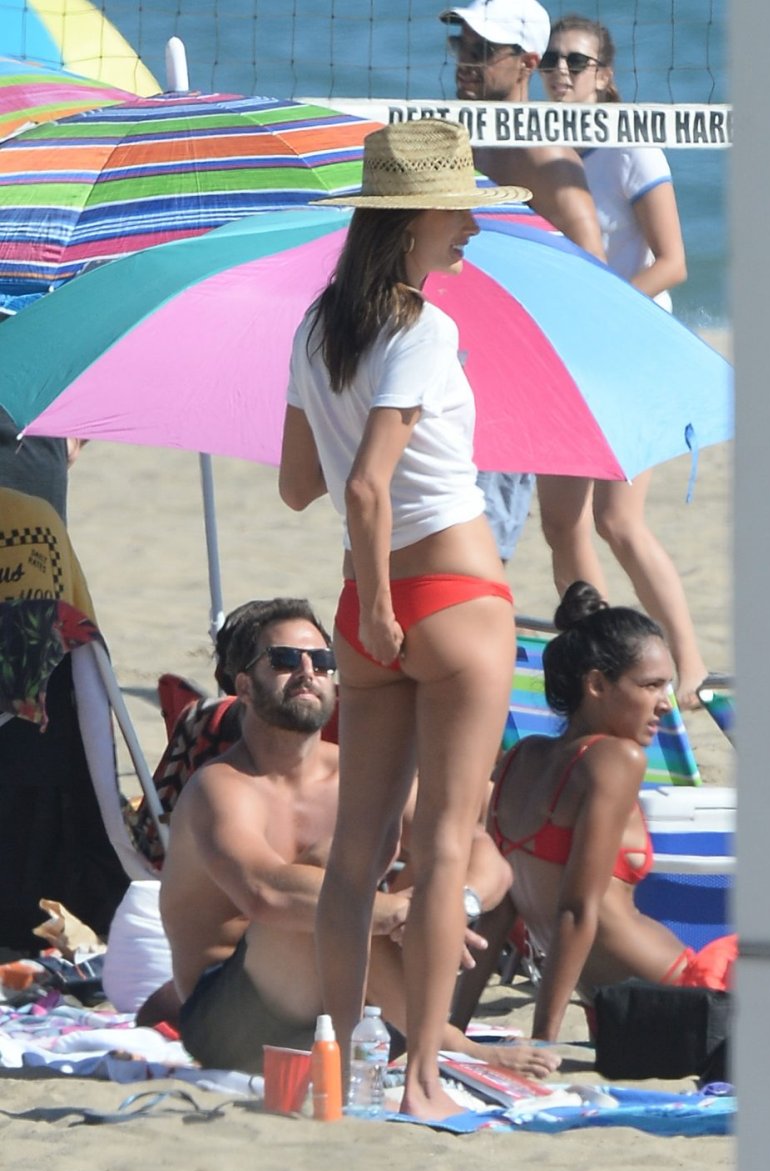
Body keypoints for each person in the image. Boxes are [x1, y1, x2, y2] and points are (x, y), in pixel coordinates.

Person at [280, 120, 525, 1119]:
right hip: (452, 600)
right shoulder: (424, 328)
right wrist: (389, 602)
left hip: (362, 612)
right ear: (414, 217)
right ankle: (423, 1079)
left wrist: (372, 607)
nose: (472, 224)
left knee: (355, 857)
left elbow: (299, 483)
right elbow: (364, 487)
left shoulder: (317, 327)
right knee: (445, 850)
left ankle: (335, 1069)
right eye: (458, 208)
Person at [159, 597, 558, 1079]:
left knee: (434, 855)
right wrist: (402, 914)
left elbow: (483, 853)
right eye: (285, 660)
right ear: (243, 685)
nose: (308, 673)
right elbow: (264, 893)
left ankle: (422, 1030)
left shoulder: (356, 775)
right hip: (235, 1022)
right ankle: (444, 1040)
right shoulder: (220, 788)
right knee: (334, 866)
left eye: (322, 661)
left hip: (357, 1013)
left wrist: (454, 906)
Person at [456, 581, 736, 1043]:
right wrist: (543, 1042)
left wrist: (451, 1027)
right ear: (597, 685)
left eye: (666, 686)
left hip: (608, 1011)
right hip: (682, 996)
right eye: (650, 686)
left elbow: (499, 914)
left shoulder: (518, 760)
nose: (664, 704)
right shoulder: (615, 759)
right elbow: (577, 909)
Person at [535, 13, 708, 707]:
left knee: (618, 520)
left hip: (632, 350)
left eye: (575, 62)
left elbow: (673, 261)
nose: (560, 71)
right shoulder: (538, 146)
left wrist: (605, 310)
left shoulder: (629, 145)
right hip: (568, 354)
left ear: (603, 76)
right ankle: (599, 665)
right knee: (561, 523)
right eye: (550, 59)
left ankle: (689, 666)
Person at [440, 0, 606, 563]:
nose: (466, 60)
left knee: (507, 543)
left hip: (516, 371)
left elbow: (594, 270)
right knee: (457, 538)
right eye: (462, 46)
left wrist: (531, 347)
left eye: (483, 50)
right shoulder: (463, 141)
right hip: (459, 366)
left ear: (528, 63)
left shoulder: (545, 155)